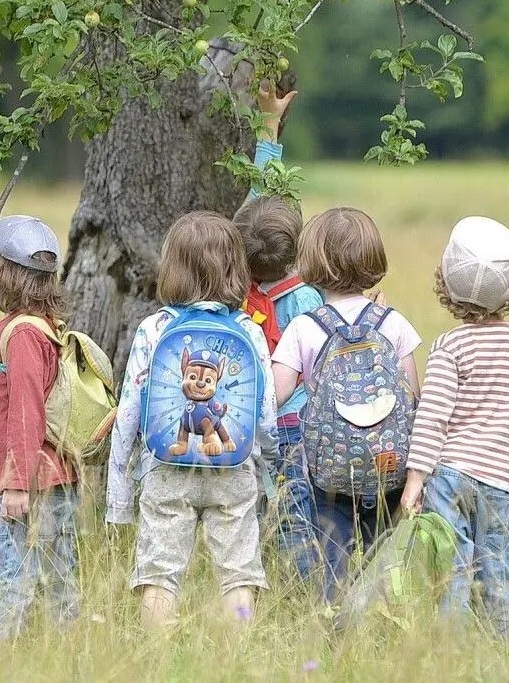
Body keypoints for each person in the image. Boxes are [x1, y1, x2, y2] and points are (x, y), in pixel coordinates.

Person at [106, 212, 279, 628]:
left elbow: (128, 413)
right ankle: (236, 662)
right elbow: (266, 412)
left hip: (165, 467)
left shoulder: (154, 328)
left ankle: (156, 662)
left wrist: (118, 497)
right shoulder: (248, 330)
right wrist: (269, 465)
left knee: (159, 574)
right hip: (234, 468)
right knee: (238, 572)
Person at [400, 217, 509, 639]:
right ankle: (496, 644)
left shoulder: (451, 346)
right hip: (498, 482)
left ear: (445, 283)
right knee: (494, 566)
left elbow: (432, 415)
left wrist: (415, 477)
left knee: (454, 567)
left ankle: (450, 646)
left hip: (449, 477)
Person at [270, 207, 422, 603]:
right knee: (376, 558)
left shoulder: (304, 325)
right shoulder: (393, 322)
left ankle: (333, 619)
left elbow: (275, 396)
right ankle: (368, 611)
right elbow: (412, 395)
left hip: (328, 472)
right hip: (389, 465)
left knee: (330, 557)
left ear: (312, 261)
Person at [0, 215, 79, 642]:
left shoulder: (23, 336)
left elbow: (26, 410)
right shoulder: (27, 328)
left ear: (3, 274)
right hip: (48, 477)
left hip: (31, 482)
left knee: (11, 574)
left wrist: (16, 483)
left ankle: (0, 653)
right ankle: (64, 648)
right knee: (57, 574)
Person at [233, 81, 326, 585]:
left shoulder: (231, 294)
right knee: (295, 514)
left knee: (245, 515)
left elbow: (260, 196)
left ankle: (250, 581)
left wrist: (269, 124)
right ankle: (305, 587)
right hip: (297, 427)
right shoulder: (311, 301)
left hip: (240, 422)